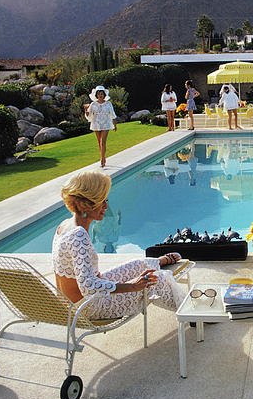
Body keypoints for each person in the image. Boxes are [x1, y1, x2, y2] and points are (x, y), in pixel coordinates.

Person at [52, 170, 186, 319]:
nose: (106, 206)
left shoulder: (64, 226)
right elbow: (88, 286)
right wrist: (132, 285)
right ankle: (190, 312)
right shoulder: (78, 235)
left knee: (138, 265)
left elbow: (83, 278)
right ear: (85, 205)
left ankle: (157, 261)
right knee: (157, 280)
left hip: (72, 302)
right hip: (89, 307)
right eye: (101, 201)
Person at [83, 86, 117, 168]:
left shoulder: (108, 103)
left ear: (104, 95)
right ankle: (102, 156)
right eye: (98, 94)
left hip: (106, 124)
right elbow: (89, 116)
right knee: (99, 142)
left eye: (102, 94)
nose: (100, 95)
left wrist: (115, 125)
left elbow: (112, 114)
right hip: (96, 124)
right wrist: (86, 110)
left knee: (103, 141)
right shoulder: (93, 104)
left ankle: (102, 158)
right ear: (96, 95)